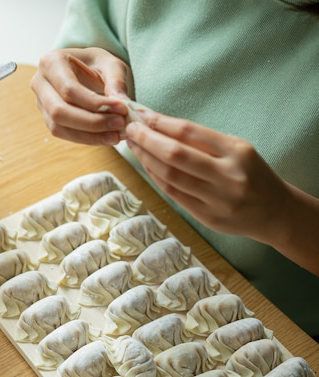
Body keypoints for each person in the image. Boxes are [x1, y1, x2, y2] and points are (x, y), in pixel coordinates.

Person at [30, 0, 319, 339]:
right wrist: (81, 71)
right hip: (128, 227)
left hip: (277, 322)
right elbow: (101, 28)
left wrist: (286, 217)